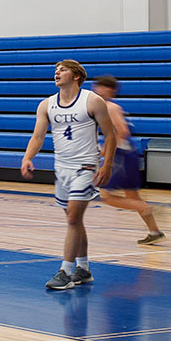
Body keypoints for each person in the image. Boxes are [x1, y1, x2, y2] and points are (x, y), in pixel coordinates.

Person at [20, 60, 118, 291]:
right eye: (56, 69)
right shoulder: (46, 105)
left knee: (73, 218)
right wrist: (27, 157)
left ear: (76, 76)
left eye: (62, 69)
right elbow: (38, 136)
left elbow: (111, 135)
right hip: (61, 167)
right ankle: (83, 269)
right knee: (74, 220)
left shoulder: (92, 101)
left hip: (85, 165)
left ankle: (65, 271)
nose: (57, 72)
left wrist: (107, 165)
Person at [91, 76, 164, 245]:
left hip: (121, 156)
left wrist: (107, 150)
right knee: (132, 196)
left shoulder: (110, 107)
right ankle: (155, 231)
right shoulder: (110, 107)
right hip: (127, 154)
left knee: (106, 196)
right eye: (96, 87)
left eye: (100, 87)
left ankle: (147, 208)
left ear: (110, 90)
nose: (97, 90)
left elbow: (122, 131)